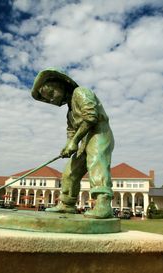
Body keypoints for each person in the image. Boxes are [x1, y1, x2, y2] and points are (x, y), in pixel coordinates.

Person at [31, 68, 115, 218]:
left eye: (51, 94)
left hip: (99, 133)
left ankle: (103, 203)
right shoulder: (69, 112)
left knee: (96, 161)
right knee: (70, 171)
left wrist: (74, 141)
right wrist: (68, 144)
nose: (52, 100)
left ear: (61, 85)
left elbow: (91, 117)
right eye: (48, 99)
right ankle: (67, 204)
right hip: (84, 138)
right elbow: (71, 131)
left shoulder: (80, 92)